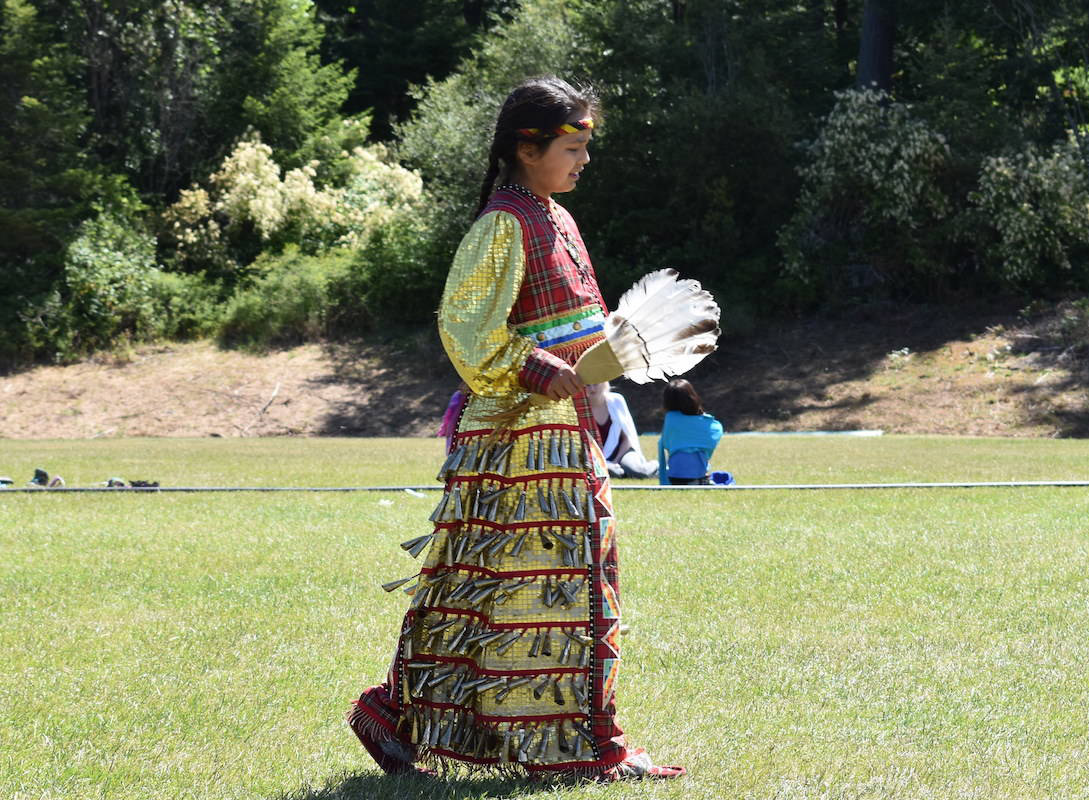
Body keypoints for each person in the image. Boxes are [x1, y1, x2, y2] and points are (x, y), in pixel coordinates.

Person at [347, 77, 685, 781]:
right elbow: (466, 327)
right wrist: (536, 369)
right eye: (572, 145)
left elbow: (568, 322)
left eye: (585, 145)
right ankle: (443, 723)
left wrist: (601, 356)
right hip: (516, 438)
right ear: (526, 148)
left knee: (569, 581)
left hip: (563, 433)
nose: (584, 159)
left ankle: (558, 737)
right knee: (513, 587)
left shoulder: (554, 217)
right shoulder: (503, 223)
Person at [658, 379, 723, 486]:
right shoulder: (711, 424)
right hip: (700, 479)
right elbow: (713, 438)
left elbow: (667, 444)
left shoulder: (671, 419)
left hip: (674, 479)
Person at [585, 383, 657, 478]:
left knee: (637, 471)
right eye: (588, 385)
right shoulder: (580, 406)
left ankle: (655, 466)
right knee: (606, 472)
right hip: (595, 458)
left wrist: (615, 461)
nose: (592, 388)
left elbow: (627, 439)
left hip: (623, 452)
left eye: (596, 384)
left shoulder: (616, 401)